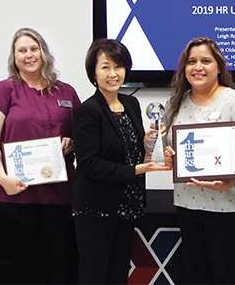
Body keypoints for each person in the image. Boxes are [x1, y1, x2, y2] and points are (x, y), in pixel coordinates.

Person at [0, 28, 81, 285]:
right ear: (14, 57)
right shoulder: (4, 91)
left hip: (59, 198)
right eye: (22, 50)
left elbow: (82, 135)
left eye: (33, 49)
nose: (29, 55)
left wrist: (73, 142)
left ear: (44, 52)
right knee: (16, 272)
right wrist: (2, 178)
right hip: (13, 197)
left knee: (58, 270)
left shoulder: (66, 92)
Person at [162, 37, 235, 285]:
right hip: (188, 206)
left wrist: (230, 181)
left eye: (206, 61)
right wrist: (168, 155)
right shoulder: (175, 103)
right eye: (191, 61)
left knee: (227, 278)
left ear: (219, 66)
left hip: (227, 208)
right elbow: (167, 147)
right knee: (195, 276)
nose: (198, 67)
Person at [71, 39, 170, 285]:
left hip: (128, 204)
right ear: (93, 72)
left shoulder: (131, 103)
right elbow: (88, 164)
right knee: (94, 274)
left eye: (118, 66)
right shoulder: (88, 111)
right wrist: (135, 170)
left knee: (119, 272)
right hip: (96, 207)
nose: (113, 74)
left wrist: (149, 142)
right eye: (105, 67)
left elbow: (130, 150)